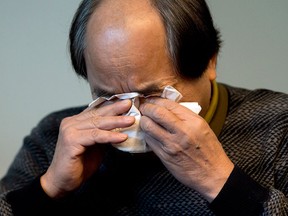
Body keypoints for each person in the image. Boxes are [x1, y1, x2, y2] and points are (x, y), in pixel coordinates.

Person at [0, 0, 287, 215]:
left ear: (210, 62)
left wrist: (222, 184)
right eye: (109, 97)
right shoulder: (57, 139)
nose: (131, 116)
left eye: (152, 94)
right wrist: (48, 189)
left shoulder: (279, 126)